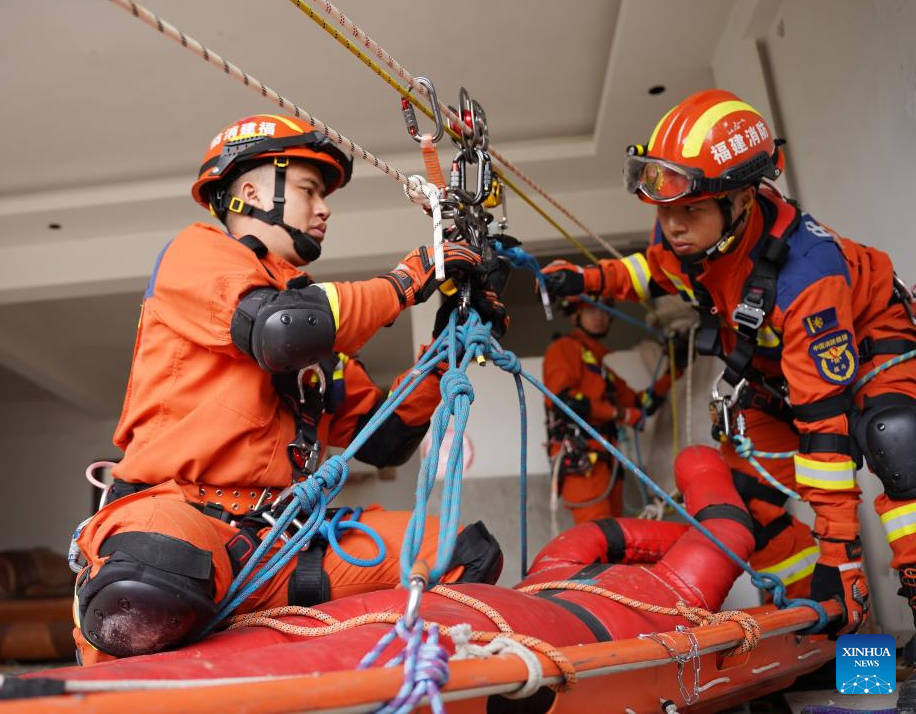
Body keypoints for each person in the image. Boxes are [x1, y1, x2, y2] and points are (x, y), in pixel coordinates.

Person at [70, 114, 506, 664]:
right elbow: (280, 329)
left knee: (464, 553)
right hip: (180, 519)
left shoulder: (320, 334)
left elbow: (387, 439)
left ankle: (333, 675)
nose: (324, 209)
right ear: (252, 192)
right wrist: (403, 283)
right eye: (308, 190)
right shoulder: (199, 253)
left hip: (283, 541)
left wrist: (448, 346)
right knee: (150, 582)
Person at [542, 88, 916, 639]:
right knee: (742, 508)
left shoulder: (806, 274)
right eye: (664, 211)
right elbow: (652, 270)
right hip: (775, 372)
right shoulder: (692, 237)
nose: (672, 226)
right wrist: (587, 280)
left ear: (741, 200)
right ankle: (811, 626)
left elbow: (824, 429)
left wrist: (840, 550)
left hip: (867, 343)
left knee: (896, 441)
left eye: (689, 211)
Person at [543, 296, 672, 524]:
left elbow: (640, 404)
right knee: (599, 535)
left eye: (604, 311)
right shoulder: (564, 348)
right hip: (583, 464)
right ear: (574, 316)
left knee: (616, 537)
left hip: (608, 465)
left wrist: (673, 372)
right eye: (591, 311)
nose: (599, 317)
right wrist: (617, 414)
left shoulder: (601, 369)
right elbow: (563, 401)